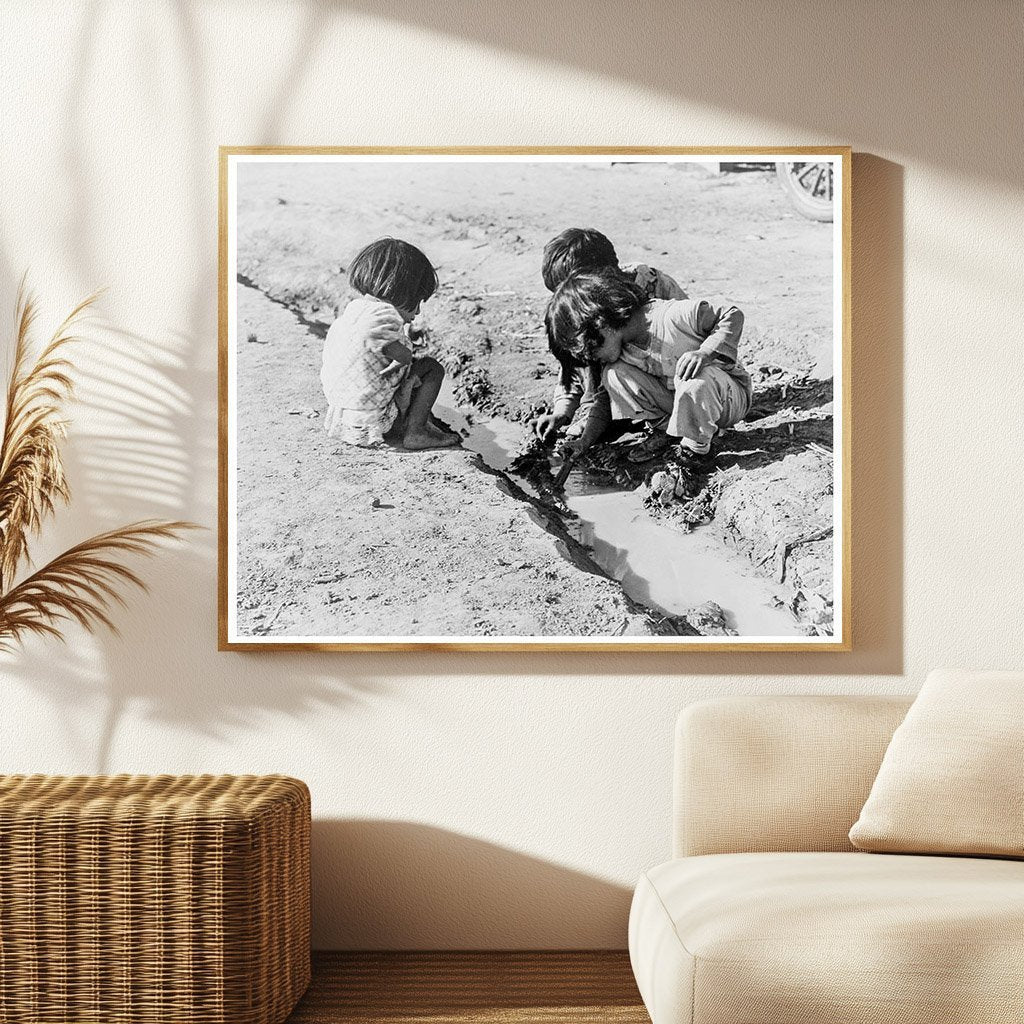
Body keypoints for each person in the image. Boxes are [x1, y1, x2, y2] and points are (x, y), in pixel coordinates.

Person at [544, 269, 752, 478]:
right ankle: (669, 432)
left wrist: (704, 353)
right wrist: (584, 441)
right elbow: (605, 401)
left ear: (601, 325)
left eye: (590, 352)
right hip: (683, 401)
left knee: (696, 380)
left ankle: (695, 452)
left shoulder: (672, 317)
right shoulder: (622, 349)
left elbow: (731, 314)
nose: (592, 360)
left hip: (728, 398)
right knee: (613, 375)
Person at [534, 228, 687, 444]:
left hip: (665, 383)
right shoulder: (579, 310)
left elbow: (694, 333)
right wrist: (562, 410)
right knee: (590, 343)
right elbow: (574, 363)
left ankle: (630, 416)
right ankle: (601, 413)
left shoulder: (653, 286)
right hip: (616, 385)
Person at [321, 237, 458, 451]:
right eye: (417, 303)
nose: (418, 312)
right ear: (404, 292)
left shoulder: (353, 311)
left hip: (343, 418)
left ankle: (415, 421)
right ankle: (416, 432)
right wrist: (403, 362)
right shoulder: (385, 315)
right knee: (431, 368)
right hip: (377, 422)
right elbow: (401, 355)